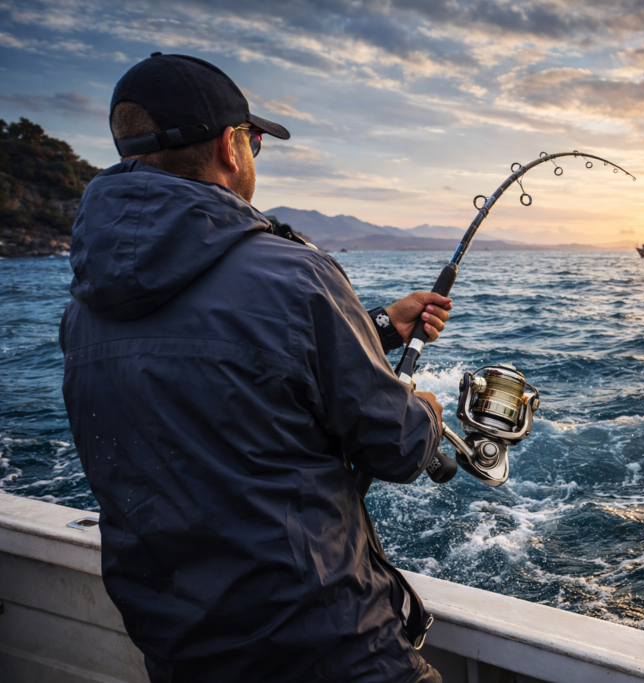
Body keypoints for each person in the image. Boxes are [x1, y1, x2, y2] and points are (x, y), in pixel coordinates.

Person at [60, 53, 451, 683]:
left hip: (180, 651)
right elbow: (396, 446)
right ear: (229, 146)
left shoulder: (83, 307)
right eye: (254, 140)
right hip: (328, 648)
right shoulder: (295, 273)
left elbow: (218, 366)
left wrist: (379, 325)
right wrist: (425, 413)